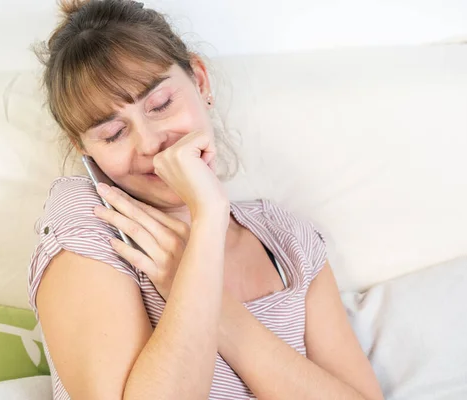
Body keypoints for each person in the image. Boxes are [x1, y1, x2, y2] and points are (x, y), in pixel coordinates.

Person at [28, 0, 384, 399]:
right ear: (83, 146)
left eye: (161, 105)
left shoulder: (288, 240)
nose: (150, 143)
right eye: (112, 133)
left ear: (199, 80)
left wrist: (205, 258)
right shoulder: (90, 222)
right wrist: (209, 220)